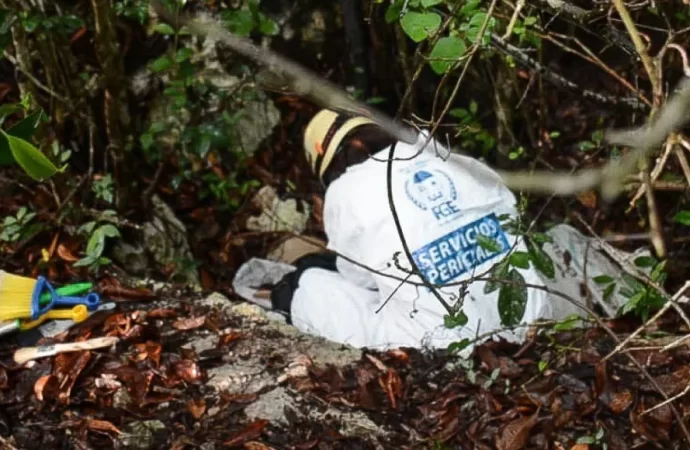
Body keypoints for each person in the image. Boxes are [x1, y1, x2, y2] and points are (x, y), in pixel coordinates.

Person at [267, 108, 633, 354]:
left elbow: (360, 279)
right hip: (531, 319)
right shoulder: (444, 156)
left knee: (310, 288)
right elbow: (510, 219)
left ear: (327, 163)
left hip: (448, 346)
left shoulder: (344, 191)